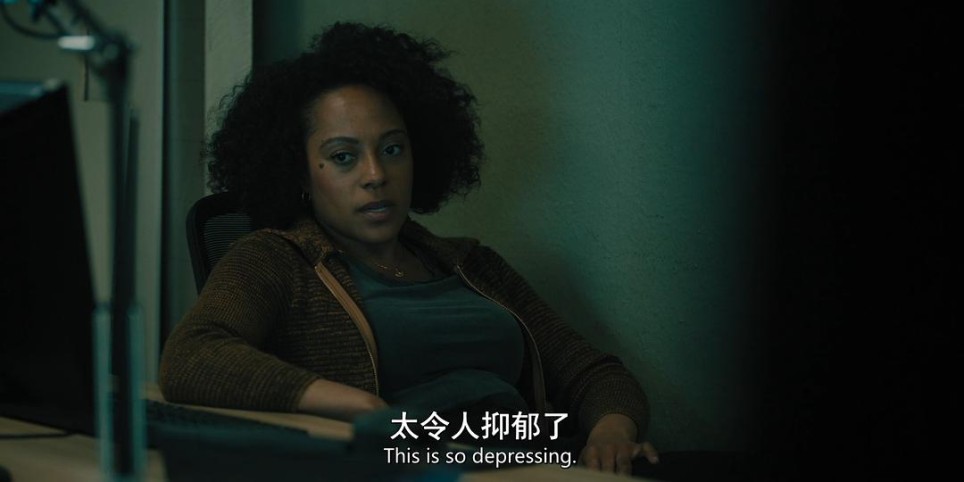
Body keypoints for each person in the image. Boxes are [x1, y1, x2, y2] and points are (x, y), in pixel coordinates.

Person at [160, 22, 658, 476]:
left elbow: (592, 372)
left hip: (535, 463)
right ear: (300, 174)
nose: (376, 174)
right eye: (343, 156)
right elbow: (193, 356)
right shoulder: (277, 259)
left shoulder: (472, 263)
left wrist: (611, 433)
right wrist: (356, 406)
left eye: (393, 149)